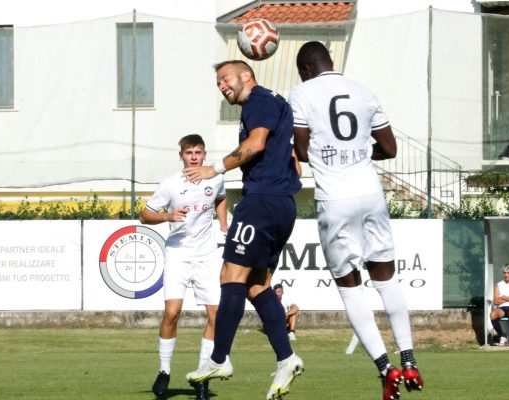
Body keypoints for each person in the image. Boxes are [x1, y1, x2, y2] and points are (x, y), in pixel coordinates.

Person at [289, 41, 423, 400]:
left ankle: (385, 367)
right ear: (330, 62)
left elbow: (302, 149)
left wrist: (321, 153)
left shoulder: (301, 93)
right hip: (371, 194)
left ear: (305, 68)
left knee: (350, 286)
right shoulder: (364, 92)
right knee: (386, 276)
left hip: (336, 200)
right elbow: (390, 149)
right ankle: (408, 358)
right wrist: (361, 151)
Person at [184, 60, 304, 400]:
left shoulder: (259, 101)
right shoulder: (272, 102)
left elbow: (255, 145)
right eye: (218, 82)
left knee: (230, 276)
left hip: (263, 201)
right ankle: (286, 357)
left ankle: (218, 359)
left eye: (225, 78)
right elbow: (291, 154)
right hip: (281, 204)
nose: (221, 85)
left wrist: (216, 168)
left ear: (246, 75)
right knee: (256, 284)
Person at [139, 134, 229, 400]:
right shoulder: (170, 185)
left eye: (198, 152)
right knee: (172, 313)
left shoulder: (215, 178)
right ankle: (164, 370)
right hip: (178, 253)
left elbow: (221, 198)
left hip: (206, 255)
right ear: (181, 156)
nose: (193, 157)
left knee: (216, 315)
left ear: (204, 154)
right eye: (188, 152)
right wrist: (167, 215)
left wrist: (223, 223)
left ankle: (202, 375)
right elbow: (145, 215)